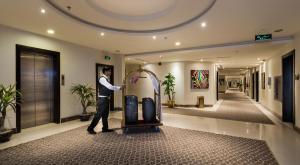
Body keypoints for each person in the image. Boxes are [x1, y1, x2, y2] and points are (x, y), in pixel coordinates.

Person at [87, 67, 123, 134]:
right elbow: (110, 87)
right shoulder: (102, 79)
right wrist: (120, 88)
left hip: (106, 99)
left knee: (105, 115)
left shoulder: (106, 79)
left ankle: (105, 128)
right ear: (106, 72)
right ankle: (90, 128)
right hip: (102, 100)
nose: (110, 73)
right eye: (109, 71)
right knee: (98, 115)